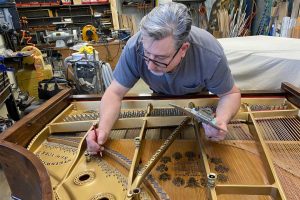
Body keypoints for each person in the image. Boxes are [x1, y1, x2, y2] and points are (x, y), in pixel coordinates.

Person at [86, 2, 241, 155]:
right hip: (159, 102)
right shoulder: (134, 47)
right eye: (146, 54)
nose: (150, 67)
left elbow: (230, 94)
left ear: (183, 49)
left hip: (199, 109)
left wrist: (221, 119)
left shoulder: (210, 54)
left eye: (161, 58)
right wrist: (103, 130)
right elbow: (114, 93)